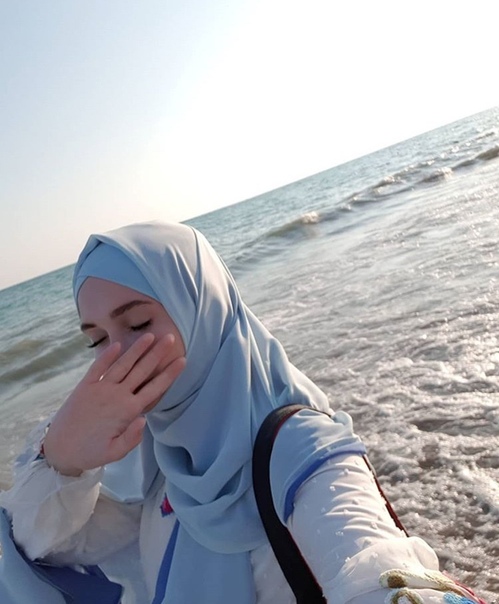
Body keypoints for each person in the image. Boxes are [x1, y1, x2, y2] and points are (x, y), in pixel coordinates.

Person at [0, 221, 487, 604]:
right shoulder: (158, 455)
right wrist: (63, 459)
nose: (117, 357)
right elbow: (48, 549)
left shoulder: (304, 453)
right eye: (98, 341)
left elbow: (370, 563)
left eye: (139, 322)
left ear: (204, 310)